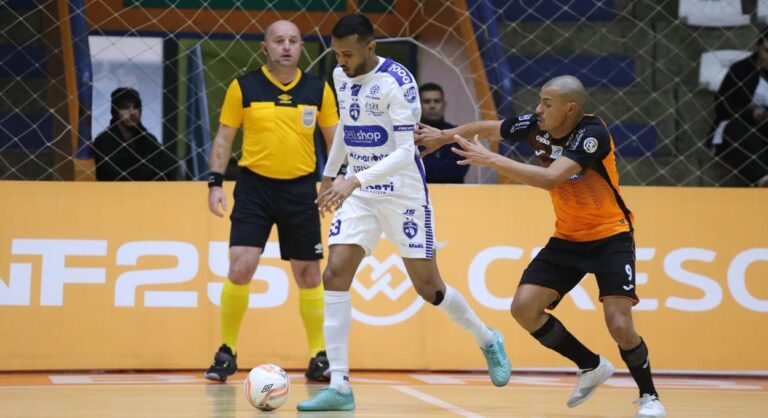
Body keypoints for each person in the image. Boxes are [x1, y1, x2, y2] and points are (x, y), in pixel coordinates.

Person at [415, 75, 666, 418]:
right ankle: (590, 365)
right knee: (524, 309)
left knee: (619, 324)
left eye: (547, 103)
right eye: (539, 101)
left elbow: (550, 179)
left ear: (570, 108)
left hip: (611, 236)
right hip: (568, 238)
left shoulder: (592, 134)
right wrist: (443, 137)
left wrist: (493, 161)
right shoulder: (536, 126)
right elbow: (489, 128)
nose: (538, 109)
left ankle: (649, 396)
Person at [296, 14, 511, 412]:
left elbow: (404, 152)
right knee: (335, 273)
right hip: (359, 192)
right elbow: (347, 128)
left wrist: (352, 180)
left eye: (348, 54)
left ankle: (487, 338)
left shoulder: (397, 82)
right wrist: (329, 176)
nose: (341, 61)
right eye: (336, 54)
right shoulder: (341, 76)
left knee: (430, 288)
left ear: (370, 47)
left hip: (402, 194)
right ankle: (340, 386)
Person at [205, 20, 339, 383]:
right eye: (279, 41)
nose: (286, 46)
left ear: (301, 47)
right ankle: (226, 351)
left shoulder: (318, 89)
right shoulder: (244, 86)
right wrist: (215, 183)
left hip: (300, 190)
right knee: (241, 266)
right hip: (254, 189)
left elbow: (335, 140)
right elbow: (224, 137)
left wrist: (335, 180)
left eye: (293, 40)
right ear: (265, 48)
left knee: (309, 274)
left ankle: (319, 356)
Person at [711, 28, 768, 187]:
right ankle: (763, 179)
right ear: (758, 47)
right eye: (767, 51)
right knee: (735, 128)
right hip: (741, 128)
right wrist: (752, 115)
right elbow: (723, 105)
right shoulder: (740, 69)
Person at [92, 87, 174, 180]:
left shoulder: (149, 140)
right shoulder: (103, 142)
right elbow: (114, 177)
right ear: (115, 111)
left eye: (136, 107)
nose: (132, 112)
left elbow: (166, 172)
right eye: (126, 107)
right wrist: (147, 170)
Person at [418, 82, 468, 183]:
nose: (432, 105)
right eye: (427, 101)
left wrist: (420, 165)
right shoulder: (408, 135)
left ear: (444, 105)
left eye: (436, 101)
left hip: (452, 192)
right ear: (418, 106)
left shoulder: (458, 135)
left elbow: (455, 172)